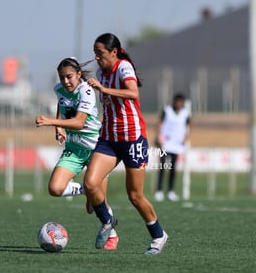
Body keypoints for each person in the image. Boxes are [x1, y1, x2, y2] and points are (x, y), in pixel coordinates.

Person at [84, 33, 168, 255]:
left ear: (113, 52)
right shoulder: (101, 72)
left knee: (135, 196)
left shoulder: (123, 68)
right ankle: (108, 222)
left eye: (100, 53)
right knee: (90, 184)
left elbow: (133, 93)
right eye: (95, 53)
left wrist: (104, 89)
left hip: (132, 139)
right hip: (109, 139)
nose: (97, 57)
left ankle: (159, 235)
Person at [35, 57, 119, 250]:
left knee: (100, 202)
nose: (66, 81)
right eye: (62, 77)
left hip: (98, 149)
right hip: (74, 149)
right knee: (55, 189)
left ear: (79, 74)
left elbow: (80, 122)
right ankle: (86, 189)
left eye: (69, 77)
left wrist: (50, 122)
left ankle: (112, 235)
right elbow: (62, 104)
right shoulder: (59, 89)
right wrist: (59, 128)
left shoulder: (87, 91)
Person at [155, 93, 191, 202]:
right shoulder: (167, 111)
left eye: (181, 102)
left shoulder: (185, 114)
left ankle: (171, 191)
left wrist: (186, 137)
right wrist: (158, 137)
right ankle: (159, 191)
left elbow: (189, 125)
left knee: (173, 169)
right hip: (165, 143)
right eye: (177, 101)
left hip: (177, 145)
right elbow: (160, 124)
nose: (179, 104)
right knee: (162, 167)